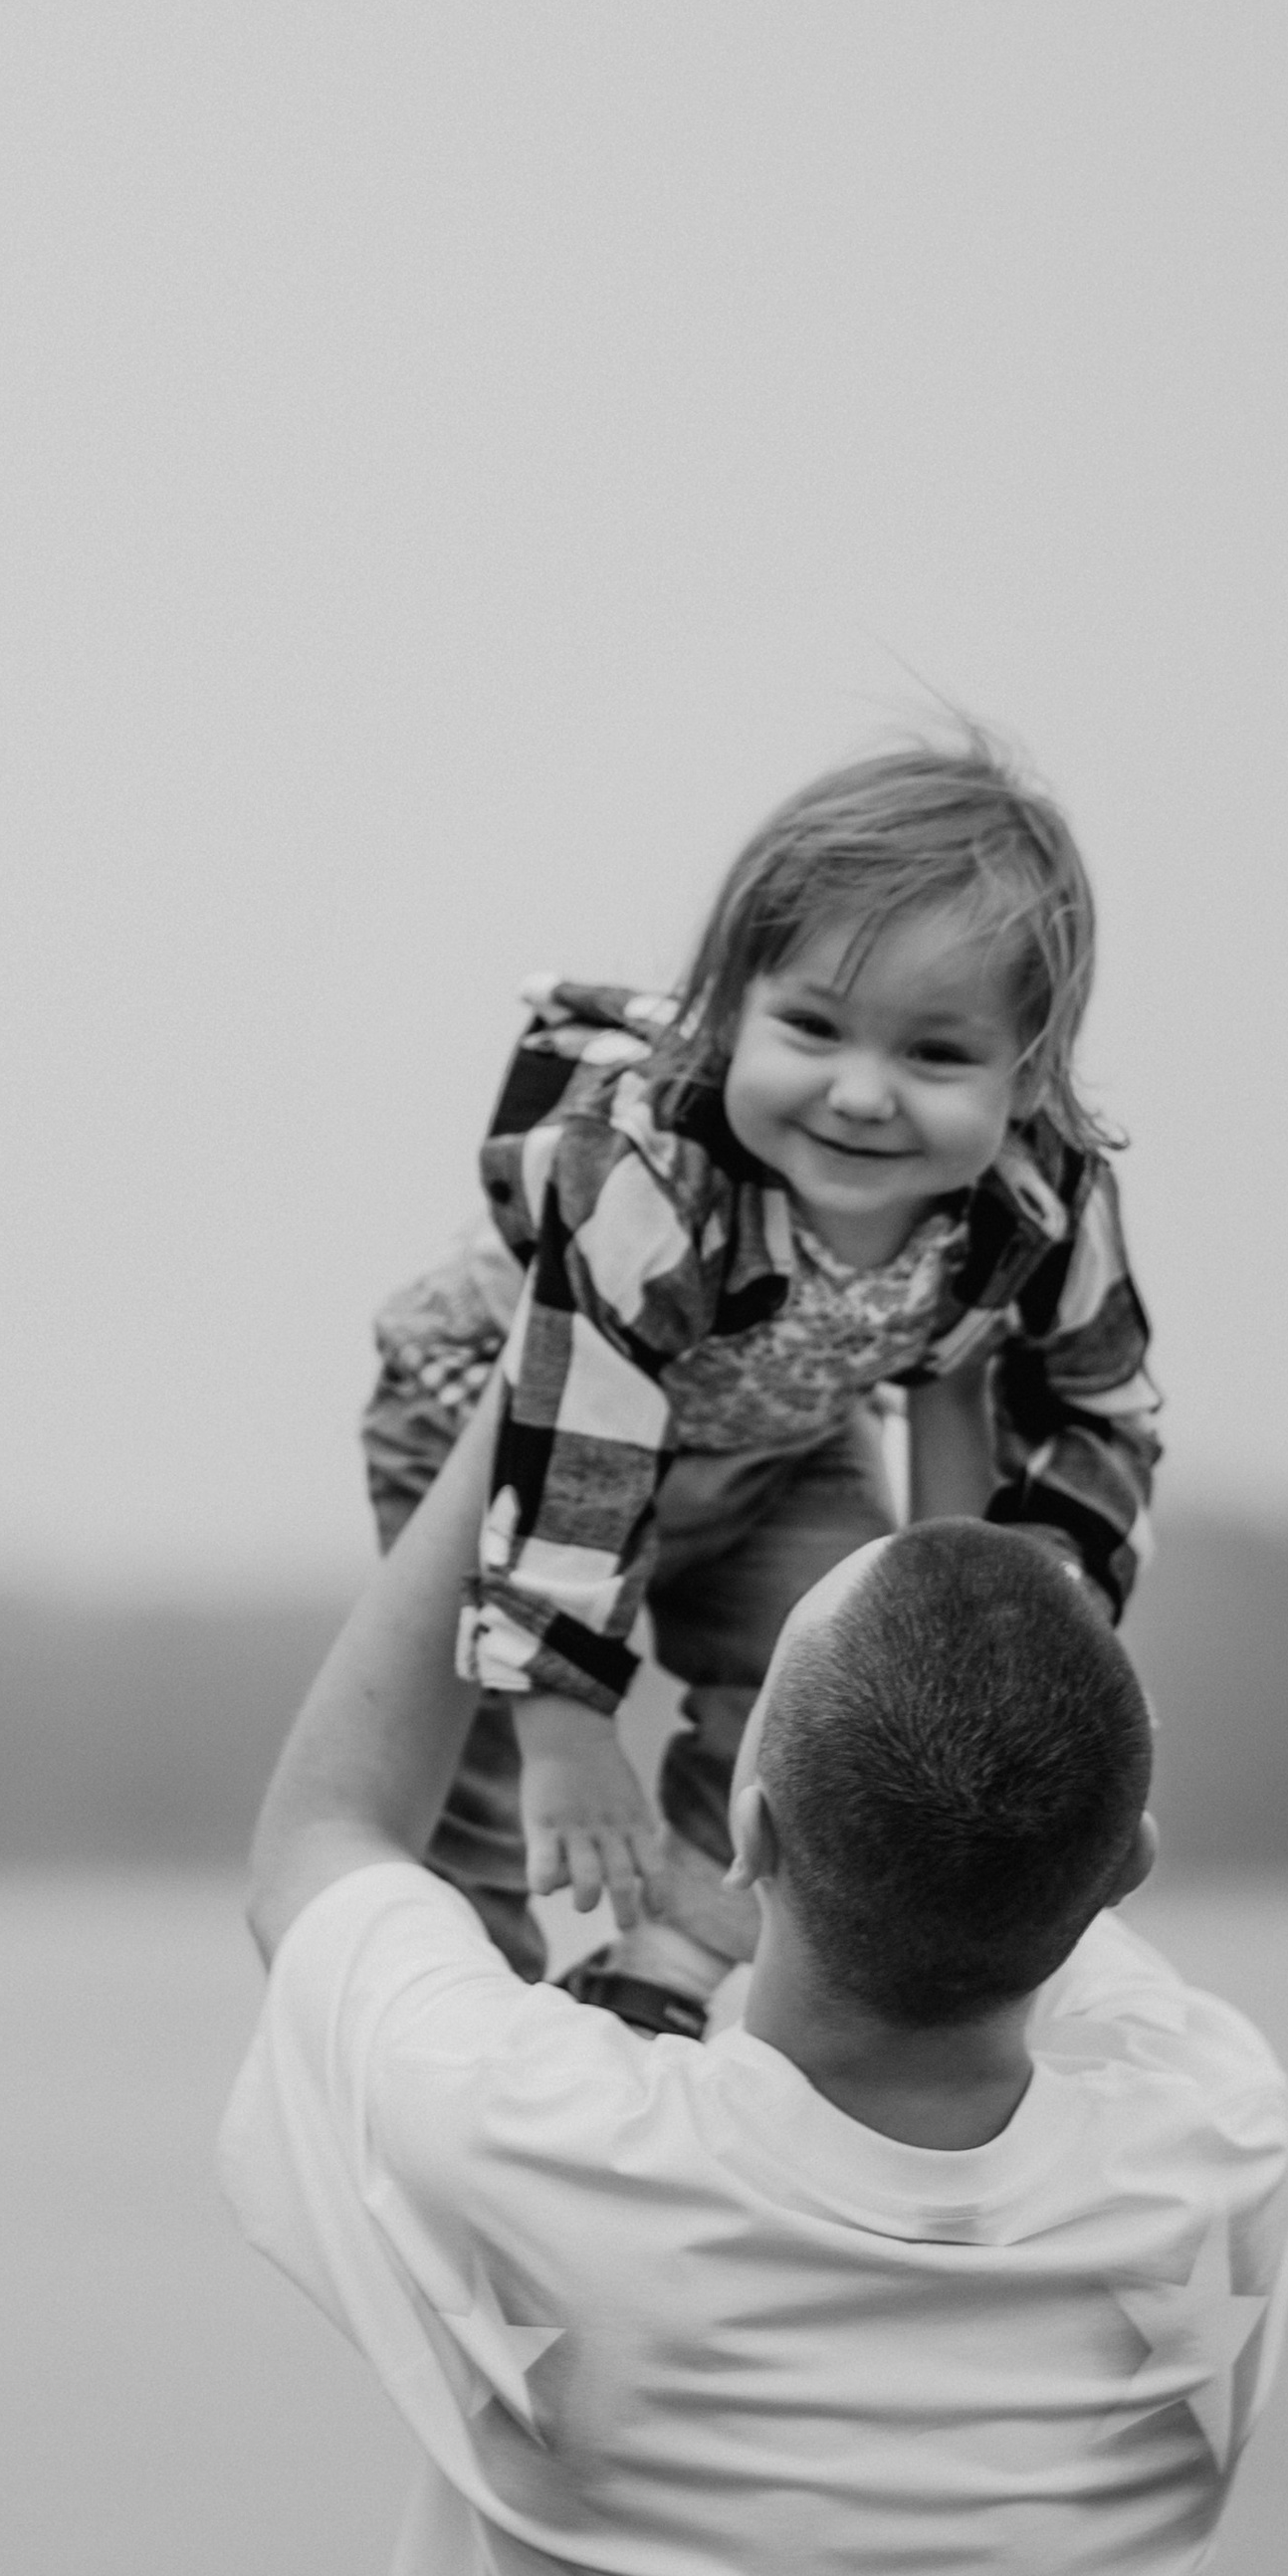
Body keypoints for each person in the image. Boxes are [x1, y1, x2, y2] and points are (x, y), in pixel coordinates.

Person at [222, 1390, 1288, 2576]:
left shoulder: (543, 2152)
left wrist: (555, 1384)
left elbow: (322, 1841)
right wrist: (955, 1382)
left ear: (750, 1835)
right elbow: (1016, 1744)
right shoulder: (1219, 2152)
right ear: (1129, 1870)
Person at [361, 735, 1161, 2037]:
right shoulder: (656, 1173)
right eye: (812, 1028)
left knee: (823, 1695)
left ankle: (669, 1971)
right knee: (497, 1771)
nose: (860, 1093)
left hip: (772, 1444)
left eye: (936, 1054)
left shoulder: (1037, 1199)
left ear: (1026, 1076)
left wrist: (1035, 1668)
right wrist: (566, 1724)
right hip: (498, 1432)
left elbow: (1093, 1411)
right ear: (733, 1009)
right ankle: (470, 2012)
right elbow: (581, 1430)